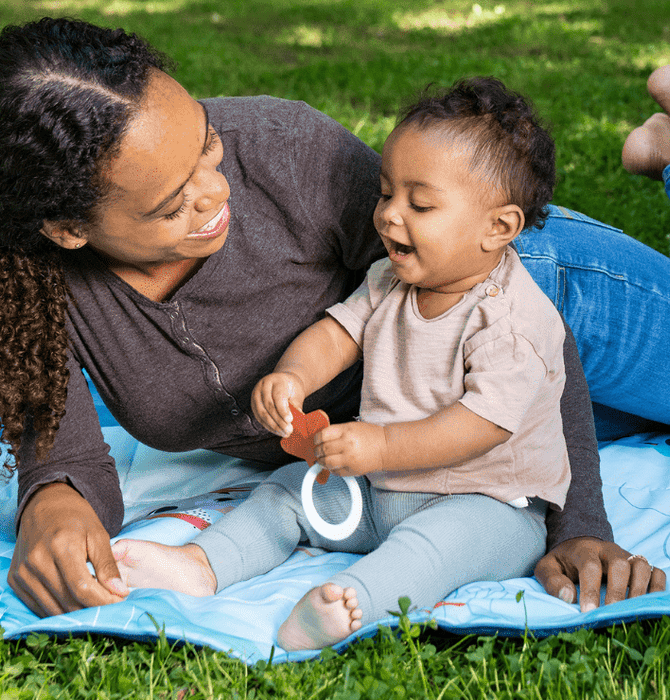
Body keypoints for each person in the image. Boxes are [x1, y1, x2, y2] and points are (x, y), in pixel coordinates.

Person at [0, 18, 670, 620]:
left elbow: (513, 330)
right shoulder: (26, 290)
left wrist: (573, 523)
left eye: (201, 143)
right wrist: (52, 506)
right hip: (445, 421)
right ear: (65, 228)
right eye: (170, 201)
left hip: (554, 298)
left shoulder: (285, 152)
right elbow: (61, 449)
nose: (214, 185)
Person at [111, 77, 574, 650]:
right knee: (285, 496)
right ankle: (203, 565)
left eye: (420, 204)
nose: (388, 216)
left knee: (431, 550)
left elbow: (482, 426)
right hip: (378, 489)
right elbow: (337, 333)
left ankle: (351, 602)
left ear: (498, 228)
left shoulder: (513, 322)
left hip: (489, 505)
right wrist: (292, 376)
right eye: (386, 194)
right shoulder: (390, 279)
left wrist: (380, 446)